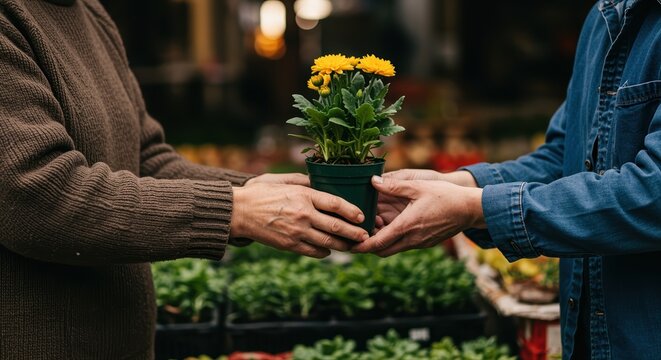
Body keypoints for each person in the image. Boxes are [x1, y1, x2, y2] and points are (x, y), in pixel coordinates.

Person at [0, 0, 368, 358]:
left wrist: (253, 190)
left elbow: (146, 159)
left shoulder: (90, 11)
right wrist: (234, 209)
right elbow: (36, 197)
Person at [354, 0, 661, 358]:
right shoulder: (605, 18)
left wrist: (475, 207)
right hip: (592, 338)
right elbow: (563, 157)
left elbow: (652, 193)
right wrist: (457, 184)